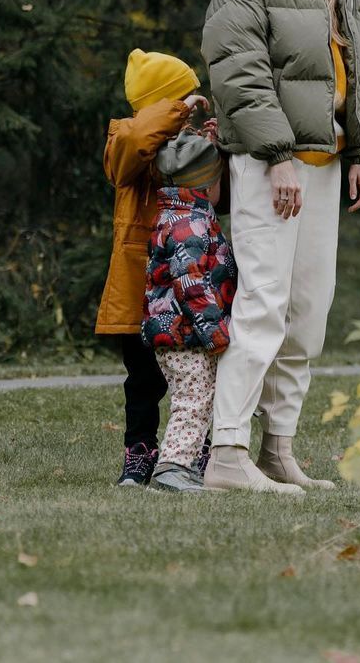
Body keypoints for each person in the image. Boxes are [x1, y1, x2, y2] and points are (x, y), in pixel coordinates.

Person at [200, 0, 360, 493]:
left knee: (308, 311)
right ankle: (227, 453)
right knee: (263, 303)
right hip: (268, 164)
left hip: (326, 163)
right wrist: (277, 155)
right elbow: (237, 70)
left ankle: (278, 450)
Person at [95, 49, 208, 486]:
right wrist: (178, 109)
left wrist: (211, 144)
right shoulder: (123, 139)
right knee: (142, 379)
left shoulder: (182, 145)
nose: (190, 108)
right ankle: (139, 452)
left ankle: (192, 449)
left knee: (194, 372)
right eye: (182, 98)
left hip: (183, 279)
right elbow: (139, 139)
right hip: (138, 283)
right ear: (162, 103)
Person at [142, 129, 236, 493]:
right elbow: (191, 284)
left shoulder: (181, 215)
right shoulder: (189, 226)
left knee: (199, 397)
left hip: (180, 331)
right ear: (208, 186)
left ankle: (190, 464)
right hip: (184, 333)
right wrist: (215, 333)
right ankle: (173, 468)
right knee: (193, 399)